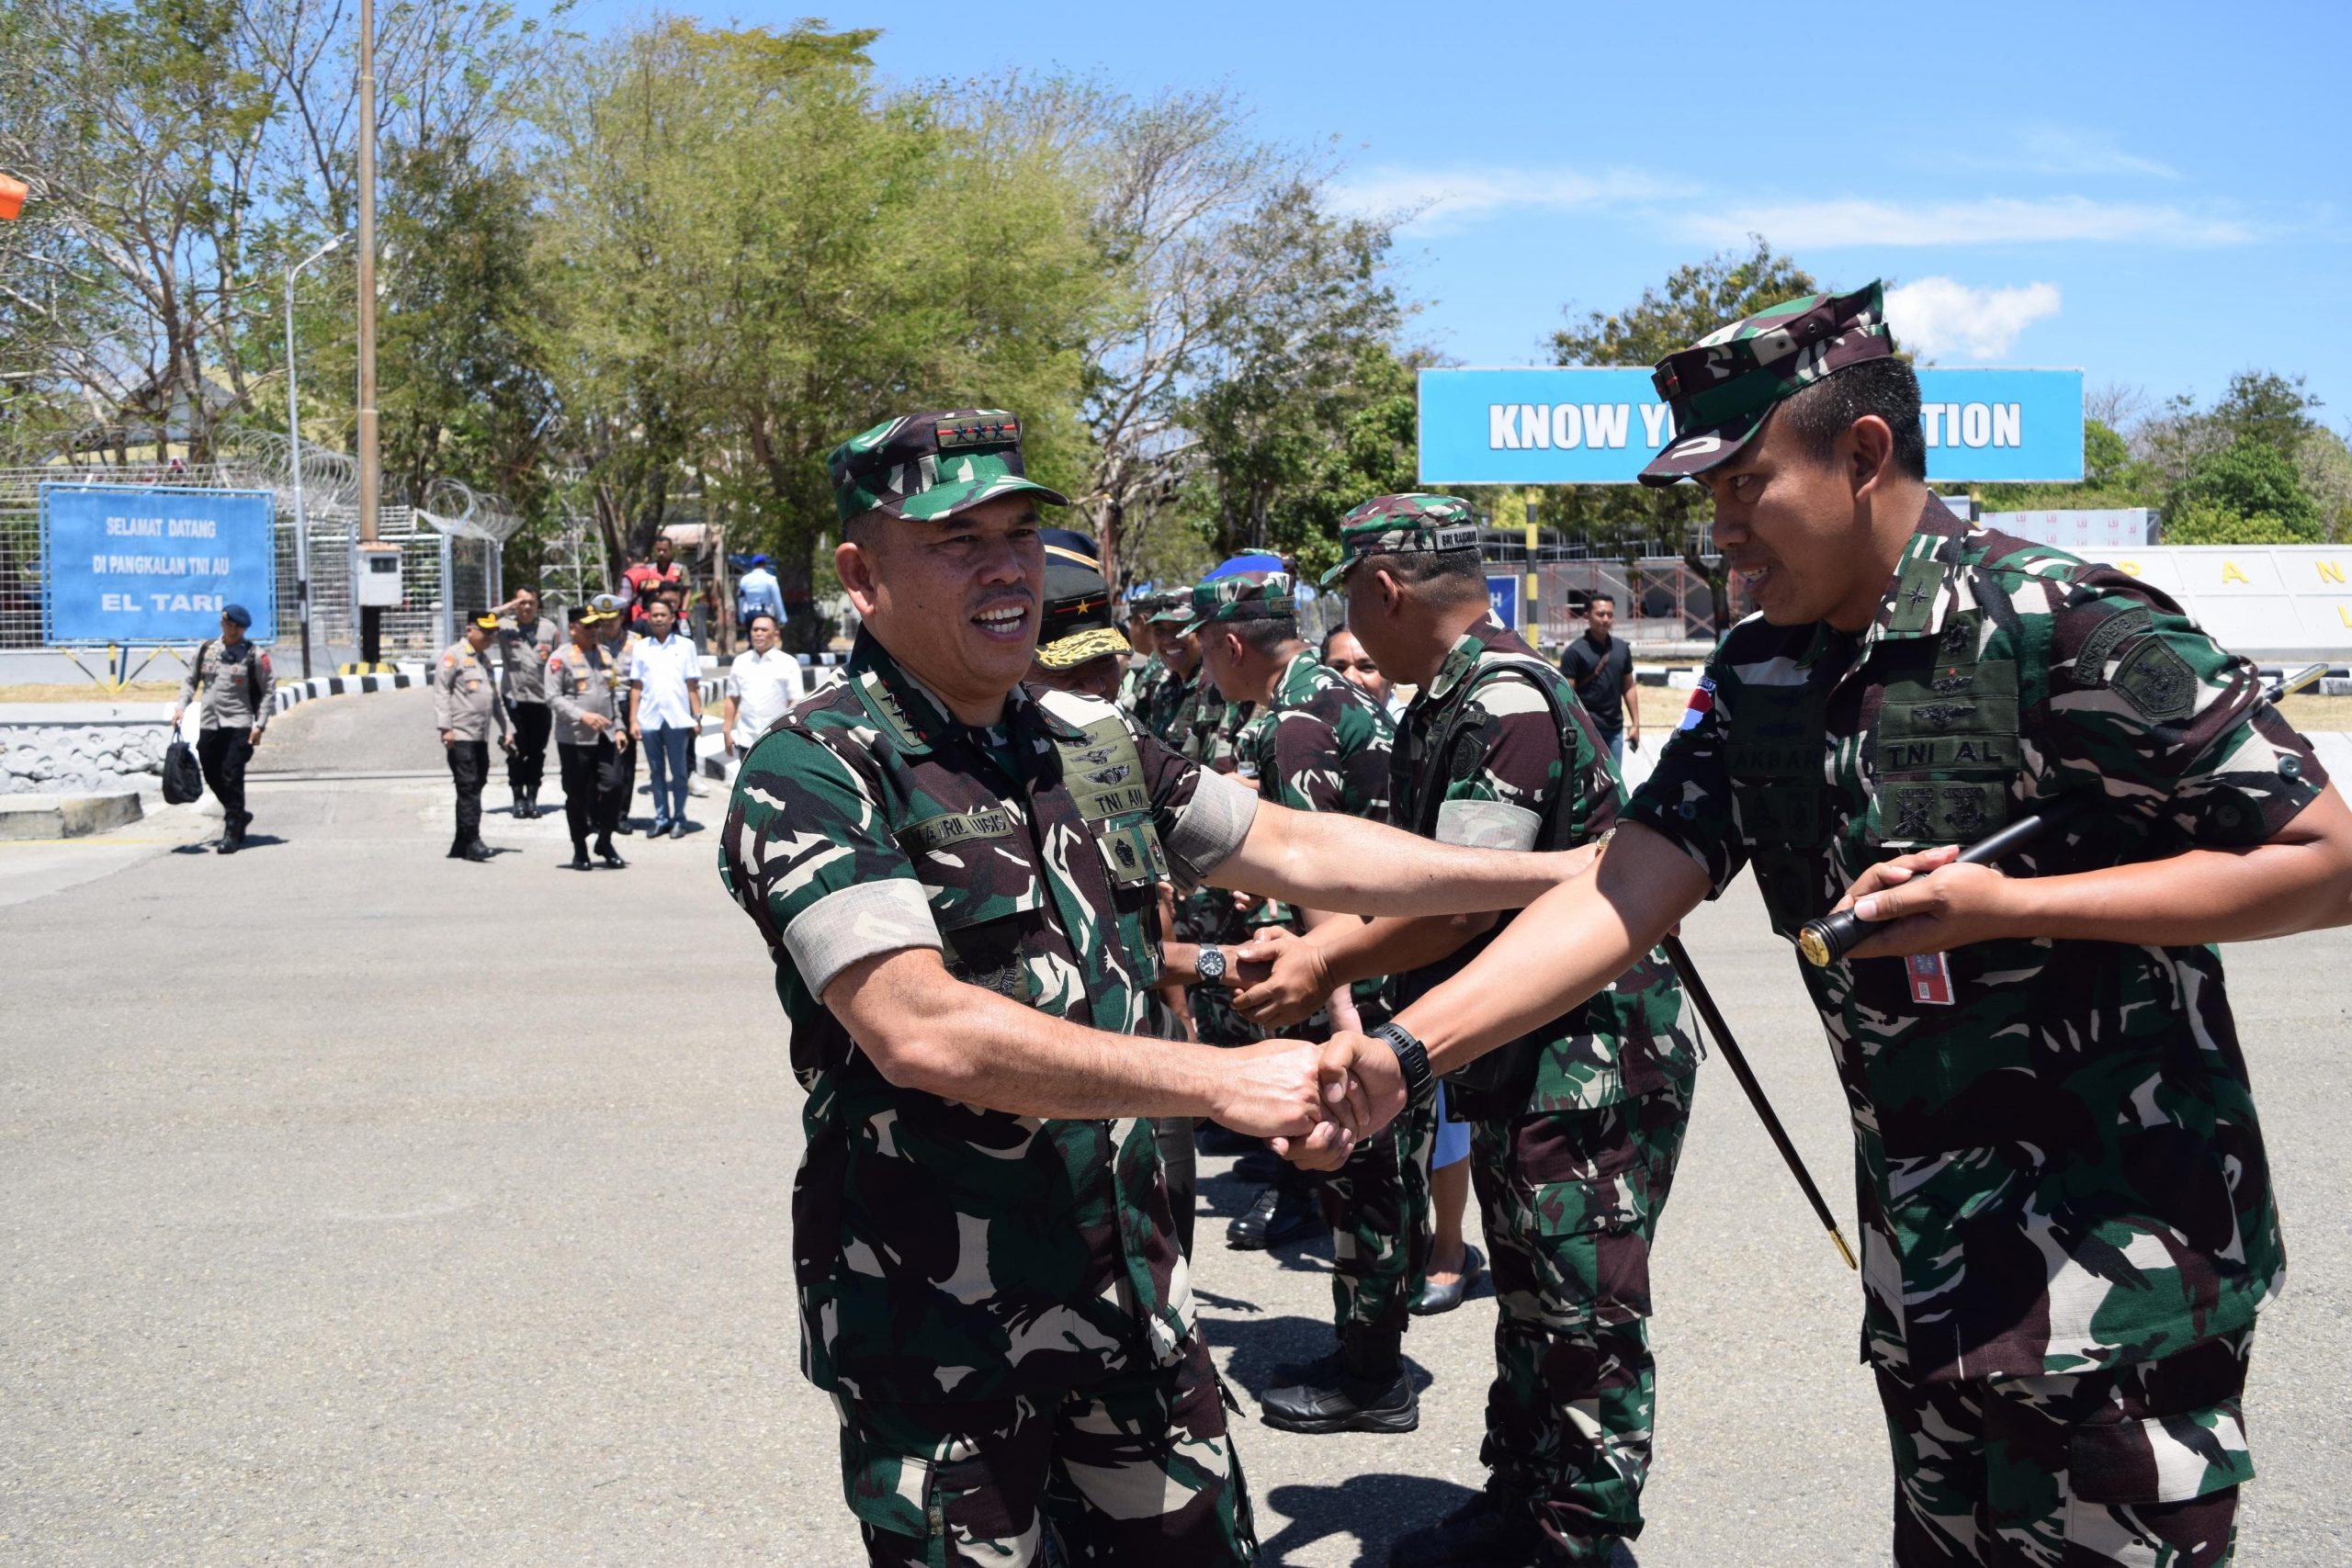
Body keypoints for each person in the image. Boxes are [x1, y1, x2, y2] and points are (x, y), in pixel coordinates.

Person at [1309, 285, 2352, 1567]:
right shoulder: (1764, 669)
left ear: (1862, 455)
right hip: (1929, 1269)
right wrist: (1407, 1052)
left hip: (2120, 1272)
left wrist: (2015, 906)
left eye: (1745, 486)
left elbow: (2322, 858)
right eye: (1709, 497)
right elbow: (1620, 889)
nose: (1721, 533)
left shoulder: (2064, 624)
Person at [717, 406, 1592, 1567]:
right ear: (861, 576)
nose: (1005, 568)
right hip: (940, 1333)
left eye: (1018, 535)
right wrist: (1219, 1082)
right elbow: (917, 1027)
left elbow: (1294, 845)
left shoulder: (1085, 738)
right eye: (956, 540)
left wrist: (1563, 872)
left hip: (1127, 1293)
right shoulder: (816, 766)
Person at [1240, 492, 1697, 1563]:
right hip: (1525, 1056)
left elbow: (1462, 905)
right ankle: (1523, 1506)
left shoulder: (1503, 701)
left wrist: (1324, 961)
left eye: (1351, 599)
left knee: (1580, 1316)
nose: (1350, 623)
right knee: (1534, 1300)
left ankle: (1577, 1537)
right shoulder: (1458, 694)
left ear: (1385, 590)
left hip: (1584, 1064)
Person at [1184, 570, 1433, 1438]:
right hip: (1393, 956)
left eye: (1204, 650)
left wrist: (1341, 1012)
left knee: (1365, 1171)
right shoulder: (1328, 695)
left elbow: (1322, 873)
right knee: (1380, 1172)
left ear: (1231, 645)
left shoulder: (1296, 720)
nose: (1203, 667)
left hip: (1369, 975)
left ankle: (1371, 1375)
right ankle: (1369, 1351)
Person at [172, 604, 274, 853]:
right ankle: (238, 813)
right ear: (222, 624)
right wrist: (181, 707)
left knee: (232, 774)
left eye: (239, 627)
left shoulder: (254, 655)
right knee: (210, 770)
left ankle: (232, 830)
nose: (233, 630)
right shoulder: (206, 650)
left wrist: (260, 725)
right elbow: (190, 681)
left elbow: (268, 690)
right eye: (230, 625)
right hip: (210, 722)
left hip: (239, 722)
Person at [547, 606, 631, 870]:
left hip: (605, 735)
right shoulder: (560, 658)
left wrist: (619, 727)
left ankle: (604, 840)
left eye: (596, 625)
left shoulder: (604, 654)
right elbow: (552, 697)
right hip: (575, 739)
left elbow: (611, 695)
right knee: (577, 795)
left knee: (615, 785)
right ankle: (580, 849)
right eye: (588, 626)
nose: (594, 630)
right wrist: (581, 715)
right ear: (573, 628)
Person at [434, 612, 513, 862]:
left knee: (476, 784)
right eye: (485, 631)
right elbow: (441, 692)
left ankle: (461, 842)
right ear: (470, 630)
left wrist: (507, 728)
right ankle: (473, 841)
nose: (490, 637)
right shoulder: (454, 655)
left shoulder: (484, 660)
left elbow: (495, 698)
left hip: (480, 735)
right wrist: (445, 727)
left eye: (493, 632)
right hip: (461, 734)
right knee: (468, 786)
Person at [627, 597, 701, 838]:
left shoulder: (686, 646)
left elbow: (692, 684)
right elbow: (636, 686)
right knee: (656, 772)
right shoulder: (641, 647)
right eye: (654, 615)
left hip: (678, 719)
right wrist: (633, 720)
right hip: (649, 719)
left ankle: (679, 818)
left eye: (663, 615)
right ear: (648, 618)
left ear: (672, 618)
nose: (659, 619)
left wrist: (697, 716)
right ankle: (661, 818)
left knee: (679, 772)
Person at [492, 587, 560, 819]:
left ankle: (532, 798)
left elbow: (558, 662)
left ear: (538, 604)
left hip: (541, 700)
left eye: (531, 602)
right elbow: (483, 620)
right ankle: (518, 798)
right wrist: (507, 607)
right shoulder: (505, 626)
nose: (526, 607)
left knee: (537, 752)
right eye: (522, 602)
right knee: (516, 751)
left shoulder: (549, 629)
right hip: (514, 698)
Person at [1557, 592, 1637, 769]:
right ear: (1587, 616)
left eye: (1610, 614)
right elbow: (1566, 697)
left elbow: (1629, 687)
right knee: (1587, 782)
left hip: (1615, 730)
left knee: (1614, 781)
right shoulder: (1574, 652)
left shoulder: (1622, 648)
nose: (1606, 619)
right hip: (1586, 731)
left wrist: (1636, 725)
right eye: (1600, 614)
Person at [722, 610, 804, 761]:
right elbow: (732, 698)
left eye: (764, 630)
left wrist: (791, 735)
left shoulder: (788, 663)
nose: (758, 633)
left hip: (778, 740)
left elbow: (795, 702)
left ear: (776, 634)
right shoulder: (741, 662)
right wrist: (727, 730)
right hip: (746, 740)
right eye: (755, 629)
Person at [594, 593, 644, 833]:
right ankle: (597, 814)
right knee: (600, 762)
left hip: (627, 705)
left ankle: (621, 815)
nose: (607, 623)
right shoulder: (592, 641)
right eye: (603, 619)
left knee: (626, 764)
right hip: (601, 706)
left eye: (612, 618)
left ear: (621, 617)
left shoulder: (637, 642)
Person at [1322, 625, 1406, 721]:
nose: (1351, 678)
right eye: (1338, 668)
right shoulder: (1311, 726)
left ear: (1393, 677)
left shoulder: (1411, 727)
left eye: (1367, 667)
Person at [735, 552, 786, 633]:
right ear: (765, 564)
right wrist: (782, 619)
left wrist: (742, 618)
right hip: (765, 614)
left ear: (753, 565)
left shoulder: (745, 580)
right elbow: (777, 601)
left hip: (750, 615)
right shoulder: (771, 580)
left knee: (753, 638)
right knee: (765, 637)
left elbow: (741, 600)